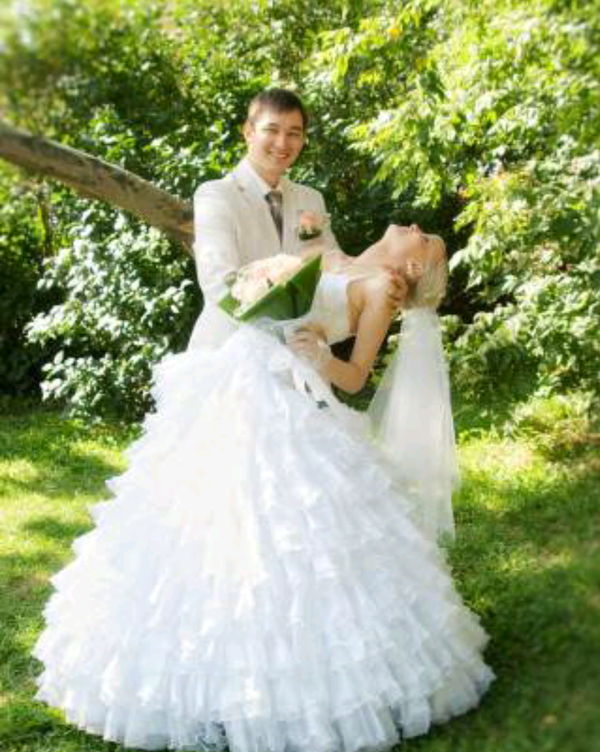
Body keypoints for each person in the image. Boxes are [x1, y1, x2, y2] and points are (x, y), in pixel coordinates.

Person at [32, 221, 494, 752]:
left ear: (414, 266)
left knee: (275, 524)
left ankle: (283, 680)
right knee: (198, 505)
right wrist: (261, 279)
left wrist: (320, 357)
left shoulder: (382, 289)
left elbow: (356, 376)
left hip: (285, 400)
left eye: (425, 237)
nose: (414, 226)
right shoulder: (337, 255)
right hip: (236, 378)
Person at [189, 87, 404, 350]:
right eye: (272, 130)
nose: (282, 143)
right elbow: (218, 280)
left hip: (298, 351)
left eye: (294, 133)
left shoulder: (311, 199)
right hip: (228, 350)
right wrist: (271, 335)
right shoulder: (216, 195)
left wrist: (379, 279)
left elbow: (332, 266)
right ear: (248, 132)